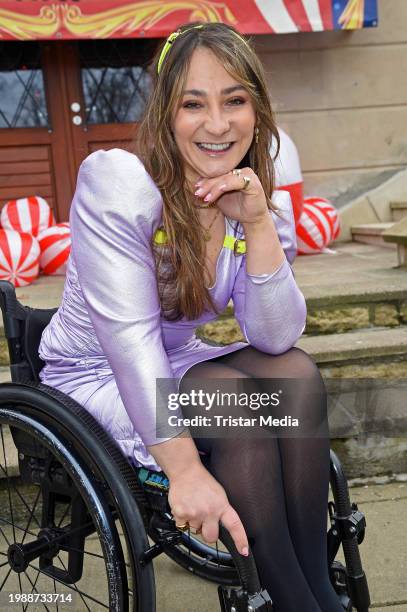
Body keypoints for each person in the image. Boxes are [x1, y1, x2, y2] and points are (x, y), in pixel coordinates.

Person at [38, 22, 344, 612]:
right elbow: (129, 341)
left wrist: (256, 224)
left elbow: (275, 336)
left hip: (178, 361)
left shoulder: (256, 198)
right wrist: (183, 470)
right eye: (193, 104)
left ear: (258, 110)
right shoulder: (121, 185)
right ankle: (298, 603)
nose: (217, 124)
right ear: (165, 114)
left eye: (235, 100)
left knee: (297, 376)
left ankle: (314, 589)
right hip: (95, 372)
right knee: (234, 402)